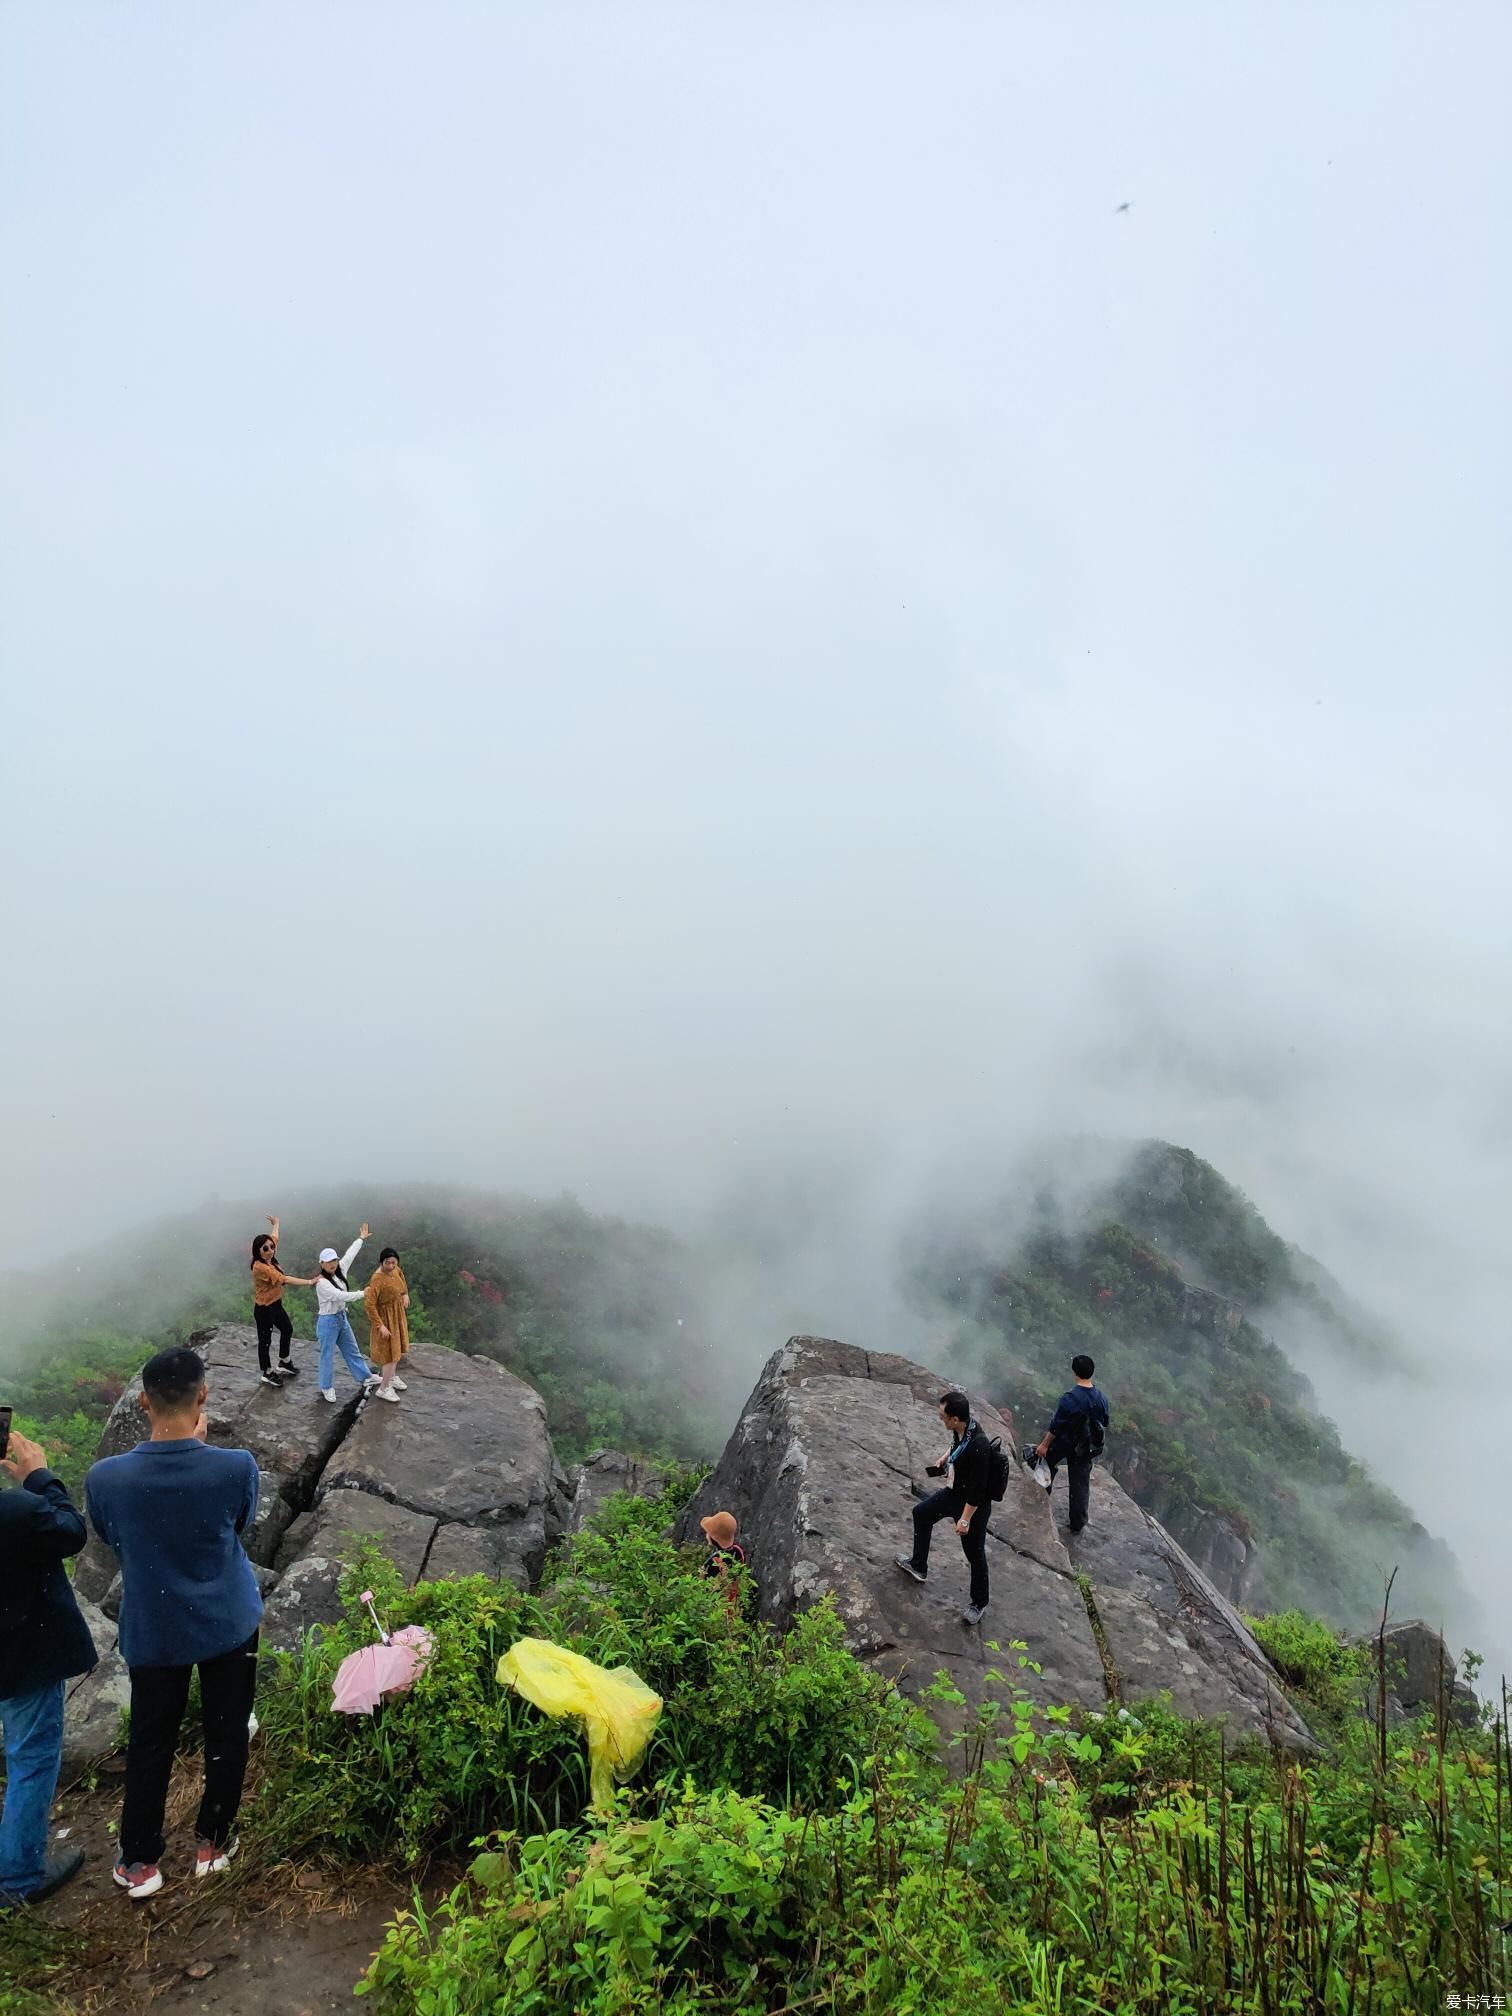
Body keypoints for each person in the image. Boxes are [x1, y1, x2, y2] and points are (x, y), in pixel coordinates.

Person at [84, 1348, 263, 1899]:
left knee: (151, 1741)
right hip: (228, 1620)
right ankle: (213, 1842)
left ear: (143, 1401)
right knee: (227, 1730)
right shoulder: (235, 1467)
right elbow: (239, 1525)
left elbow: (113, 1538)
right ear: (202, 1395)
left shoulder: (106, 1478)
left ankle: (139, 1862)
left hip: (155, 1626)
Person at [0, 1428, 96, 1911]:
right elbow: (71, 1531)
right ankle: (17, 1877)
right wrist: (39, 1475)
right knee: (32, 1760)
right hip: (22, 1660)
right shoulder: (15, 1511)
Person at [895, 1391, 994, 1627]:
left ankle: (978, 1603)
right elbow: (957, 1445)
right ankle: (918, 1566)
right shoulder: (966, 1429)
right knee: (922, 1514)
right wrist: (944, 1458)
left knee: (975, 1554)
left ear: (955, 1419)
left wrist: (965, 1519)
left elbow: (979, 1489)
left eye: (943, 1416)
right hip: (953, 1493)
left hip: (972, 1506)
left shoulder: (980, 1445)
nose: (941, 1419)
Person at [1033, 1354, 1111, 1537]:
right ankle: (1077, 1523)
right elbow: (1104, 1421)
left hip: (1065, 1441)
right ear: (1091, 1372)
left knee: (1045, 1464)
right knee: (1080, 1483)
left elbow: (1056, 1426)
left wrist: (1044, 1445)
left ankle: (1041, 1504)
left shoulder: (1070, 1398)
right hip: (1086, 1447)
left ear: (1075, 1372)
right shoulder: (1102, 1398)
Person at [249, 1215, 317, 1389]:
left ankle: (284, 1362)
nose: (271, 1250)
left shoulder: (269, 1257)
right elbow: (284, 1279)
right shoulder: (261, 1267)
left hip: (276, 1305)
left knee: (287, 1328)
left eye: (272, 1247)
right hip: (264, 1309)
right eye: (266, 1248)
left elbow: (275, 1238)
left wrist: (276, 1224)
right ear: (258, 1251)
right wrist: (309, 1282)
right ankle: (267, 1372)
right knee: (265, 1341)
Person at [314, 1226, 376, 1404]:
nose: (332, 1264)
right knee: (327, 1354)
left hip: (341, 1318)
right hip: (328, 1321)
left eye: (334, 1260)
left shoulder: (340, 1269)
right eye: (328, 1262)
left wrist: (361, 1238)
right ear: (321, 1264)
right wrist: (363, 1293)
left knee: (352, 1349)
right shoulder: (321, 1283)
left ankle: (365, 1376)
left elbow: (350, 1254)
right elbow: (338, 1296)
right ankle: (326, 1387)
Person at [362, 1247, 410, 1404]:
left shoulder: (396, 1270)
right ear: (381, 1262)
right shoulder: (377, 1279)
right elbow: (369, 1305)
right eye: (387, 1263)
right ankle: (384, 1388)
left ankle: (392, 1377)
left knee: (396, 1349)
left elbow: (401, 1280)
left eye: (393, 1263)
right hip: (385, 1318)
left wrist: (405, 1294)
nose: (390, 1266)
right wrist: (379, 1325)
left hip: (396, 1315)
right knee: (390, 1352)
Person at [699, 1510, 746, 1612]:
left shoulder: (712, 1562)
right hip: (732, 1604)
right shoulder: (738, 1551)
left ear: (714, 1538)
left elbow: (703, 1589)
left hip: (716, 1609)